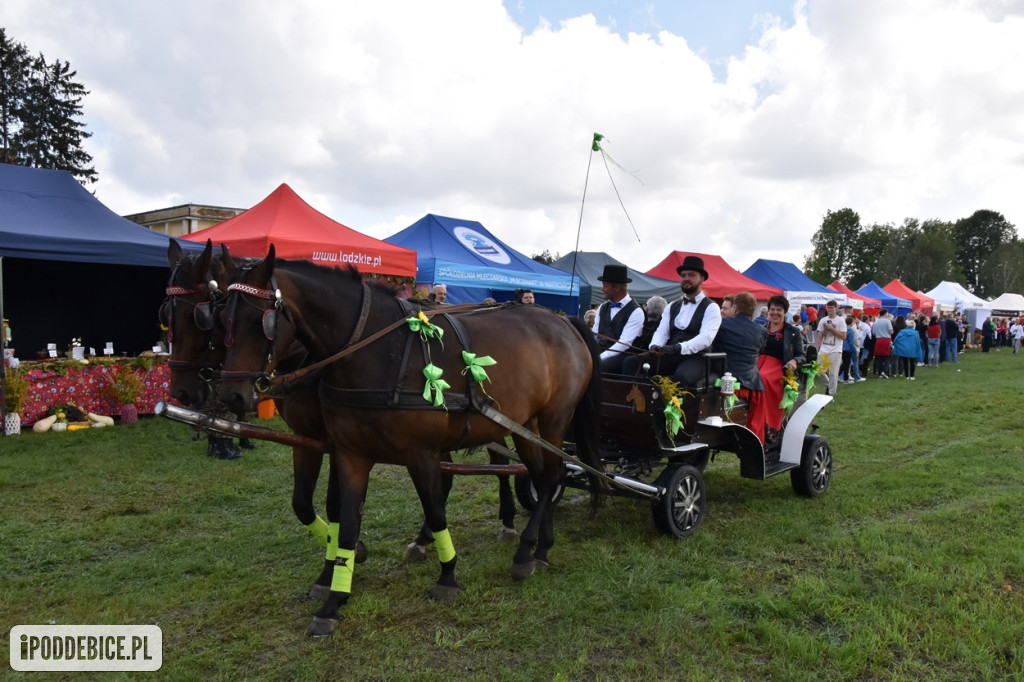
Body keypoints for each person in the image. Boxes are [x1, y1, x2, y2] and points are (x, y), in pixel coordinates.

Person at [628, 255, 722, 387]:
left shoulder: (711, 307)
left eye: (691, 275)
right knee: (631, 362)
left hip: (696, 358)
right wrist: (655, 345)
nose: (686, 279)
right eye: (683, 275)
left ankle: (673, 407)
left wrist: (678, 348)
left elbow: (706, 338)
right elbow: (662, 332)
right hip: (670, 355)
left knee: (680, 377)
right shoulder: (672, 306)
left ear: (702, 278)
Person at [748, 294, 805, 452]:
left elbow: (801, 354)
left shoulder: (792, 331)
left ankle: (768, 427)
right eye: (772, 309)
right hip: (757, 363)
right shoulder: (761, 328)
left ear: (785, 312)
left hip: (778, 366)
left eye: (779, 310)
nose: (775, 313)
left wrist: (794, 361)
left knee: (763, 379)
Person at [590, 264, 645, 374]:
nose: (602, 289)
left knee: (597, 368)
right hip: (601, 351)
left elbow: (624, 343)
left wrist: (598, 359)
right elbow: (595, 334)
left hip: (623, 356)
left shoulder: (636, 312)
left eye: (605, 286)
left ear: (617, 287)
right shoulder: (602, 307)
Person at [712, 291, 767, 392]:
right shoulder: (762, 331)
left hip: (723, 378)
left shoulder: (722, 323)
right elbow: (761, 350)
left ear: (735, 308)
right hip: (750, 381)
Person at [815, 300, 847, 396]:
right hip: (824, 349)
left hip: (836, 350)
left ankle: (831, 394)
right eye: (828, 307)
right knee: (818, 370)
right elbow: (820, 335)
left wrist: (832, 329)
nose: (829, 309)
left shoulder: (840, 320)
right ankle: (829, 385)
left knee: (833, 373)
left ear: (835, 308)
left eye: (831, 307)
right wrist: (817, 348)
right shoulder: (823, 320)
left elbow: (843, 336)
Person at [872, 309, 894, 377]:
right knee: (887, 356)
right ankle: (884, 371)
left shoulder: (875, 322)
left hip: (878, 340)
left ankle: (880, 372)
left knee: (879, 357)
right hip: (886, 339)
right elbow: (891, 331)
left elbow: (874, 333)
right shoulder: (887, 321)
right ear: (885, 314)